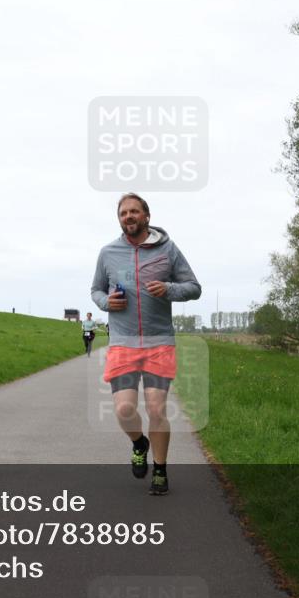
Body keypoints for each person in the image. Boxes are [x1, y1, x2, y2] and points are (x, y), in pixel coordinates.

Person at [91, 193, 201, 495]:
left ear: (146, 216)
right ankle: (139, 443)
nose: (128, 216)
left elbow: (194, 288)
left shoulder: (168, 249)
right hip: (123, 342)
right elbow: (96, 290)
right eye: (123, 213)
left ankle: (160, 470)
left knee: (156, 408)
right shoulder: (108, 253)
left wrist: (168, 289)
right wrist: (106, 302)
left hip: (159, 342)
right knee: (125, 409)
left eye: (134, 211)